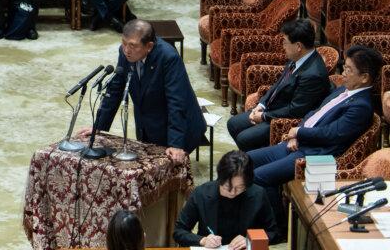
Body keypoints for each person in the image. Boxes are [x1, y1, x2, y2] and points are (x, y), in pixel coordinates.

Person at [248, 45, 382, 217]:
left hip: (314, 153)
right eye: (344, 68)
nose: (343, 74)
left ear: (364, 77)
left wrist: (299, 133)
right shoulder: (344, 89)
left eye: (349, 70)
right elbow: (314, 113)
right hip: (299, 143)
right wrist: (298, 132)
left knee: (259, 177)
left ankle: (277, 228)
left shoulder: (361, 106)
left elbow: (331, 134)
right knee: (246, 161)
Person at [87, 20, 207, 163]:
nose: (126, 50)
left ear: (149, 46)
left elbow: (176, 102)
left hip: (177, 127)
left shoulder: (168, 58)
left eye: (132, 45)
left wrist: (176, 144)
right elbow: (115, 89)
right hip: (148, 123)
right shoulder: (125, 53)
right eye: (124, 43)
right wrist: (98, 126)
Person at [226, 18, 331, 152]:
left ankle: (254, 162)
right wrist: (261, 105)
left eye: (285, 42)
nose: (283, 46)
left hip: (286, 119)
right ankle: (250, 156)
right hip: (273, 108)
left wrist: (263, 116)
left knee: (244, 138)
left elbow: (295, 110)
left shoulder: (313, 74)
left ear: (298, 46)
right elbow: (278, 84)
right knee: (233, 123)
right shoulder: (298, 58)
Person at [174, 150, 279, 248]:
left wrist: (250, 240)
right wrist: (202, 240)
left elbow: (273, 232)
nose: (233, 192)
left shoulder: (258, 194)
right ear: (220, 178)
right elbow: (179, 231)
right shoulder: (201, 194)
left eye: (239, 187)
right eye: (227, 186)